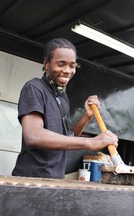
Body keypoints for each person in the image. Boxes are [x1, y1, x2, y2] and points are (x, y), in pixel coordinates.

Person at [12, 38, 118, 179]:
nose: (67, 71)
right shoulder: (34, 88)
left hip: (56, 178)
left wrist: (86, 116)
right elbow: (33, 136)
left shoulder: (63, 97)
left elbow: (68, 137)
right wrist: (90, 142)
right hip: (31, 178)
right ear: (46, 64)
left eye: (72, 66)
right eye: (61, 64)